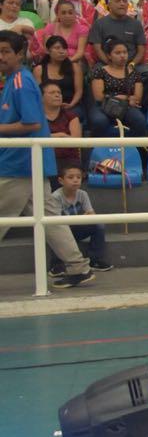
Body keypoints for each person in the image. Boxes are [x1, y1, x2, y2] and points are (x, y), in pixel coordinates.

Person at [0, 31, 96, 286]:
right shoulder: (12, 80)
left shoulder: (22, 81)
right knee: (50, 218)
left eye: (5, 51)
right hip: (27, 163)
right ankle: (78, 267)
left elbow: (31, 122)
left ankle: (77, 266)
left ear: (20, 54)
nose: (1, 57)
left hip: (18, 165)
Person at [53, 163, 117, 274]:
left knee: (98, 226)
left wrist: (86, 217)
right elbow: (57, 222)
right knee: (56, 232)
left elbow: (92, 215)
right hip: (62, 231)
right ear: (61, 181)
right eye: (70, 177)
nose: (75, 180)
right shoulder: (56, 196)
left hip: (76, 227)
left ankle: (95, 260)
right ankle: (57, 265)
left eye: (78, 177)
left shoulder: (82, 194)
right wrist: (81, 217)